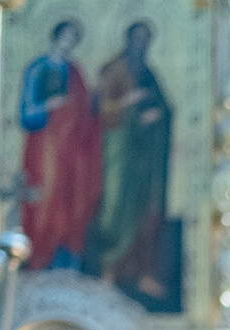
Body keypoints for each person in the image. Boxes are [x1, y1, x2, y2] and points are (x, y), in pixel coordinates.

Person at [91, 21, 172, 304]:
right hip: (117, 153)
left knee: (144, 210)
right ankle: (107, 270)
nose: (141, 45)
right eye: (137, 39)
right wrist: (130, 106)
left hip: (143, 156)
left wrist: (154, 117)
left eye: (146, 40)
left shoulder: (148, 74)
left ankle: (141, 273)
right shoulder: (114, 70)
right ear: (128, 40)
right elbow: (100, 110)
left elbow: (162, 108)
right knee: (116, 208)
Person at [18, 20, 101, 272]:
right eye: (66, 37)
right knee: (43, 200)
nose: (69, 43)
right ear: (56, 37)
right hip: (44, 147)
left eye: (74, 39)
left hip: (72, 151)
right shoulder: (37, 69)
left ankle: (66, 262)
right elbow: (26, 113)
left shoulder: (74, 71)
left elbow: (84, 111)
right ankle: (41, 257)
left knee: (69, 200)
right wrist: (48, 106)